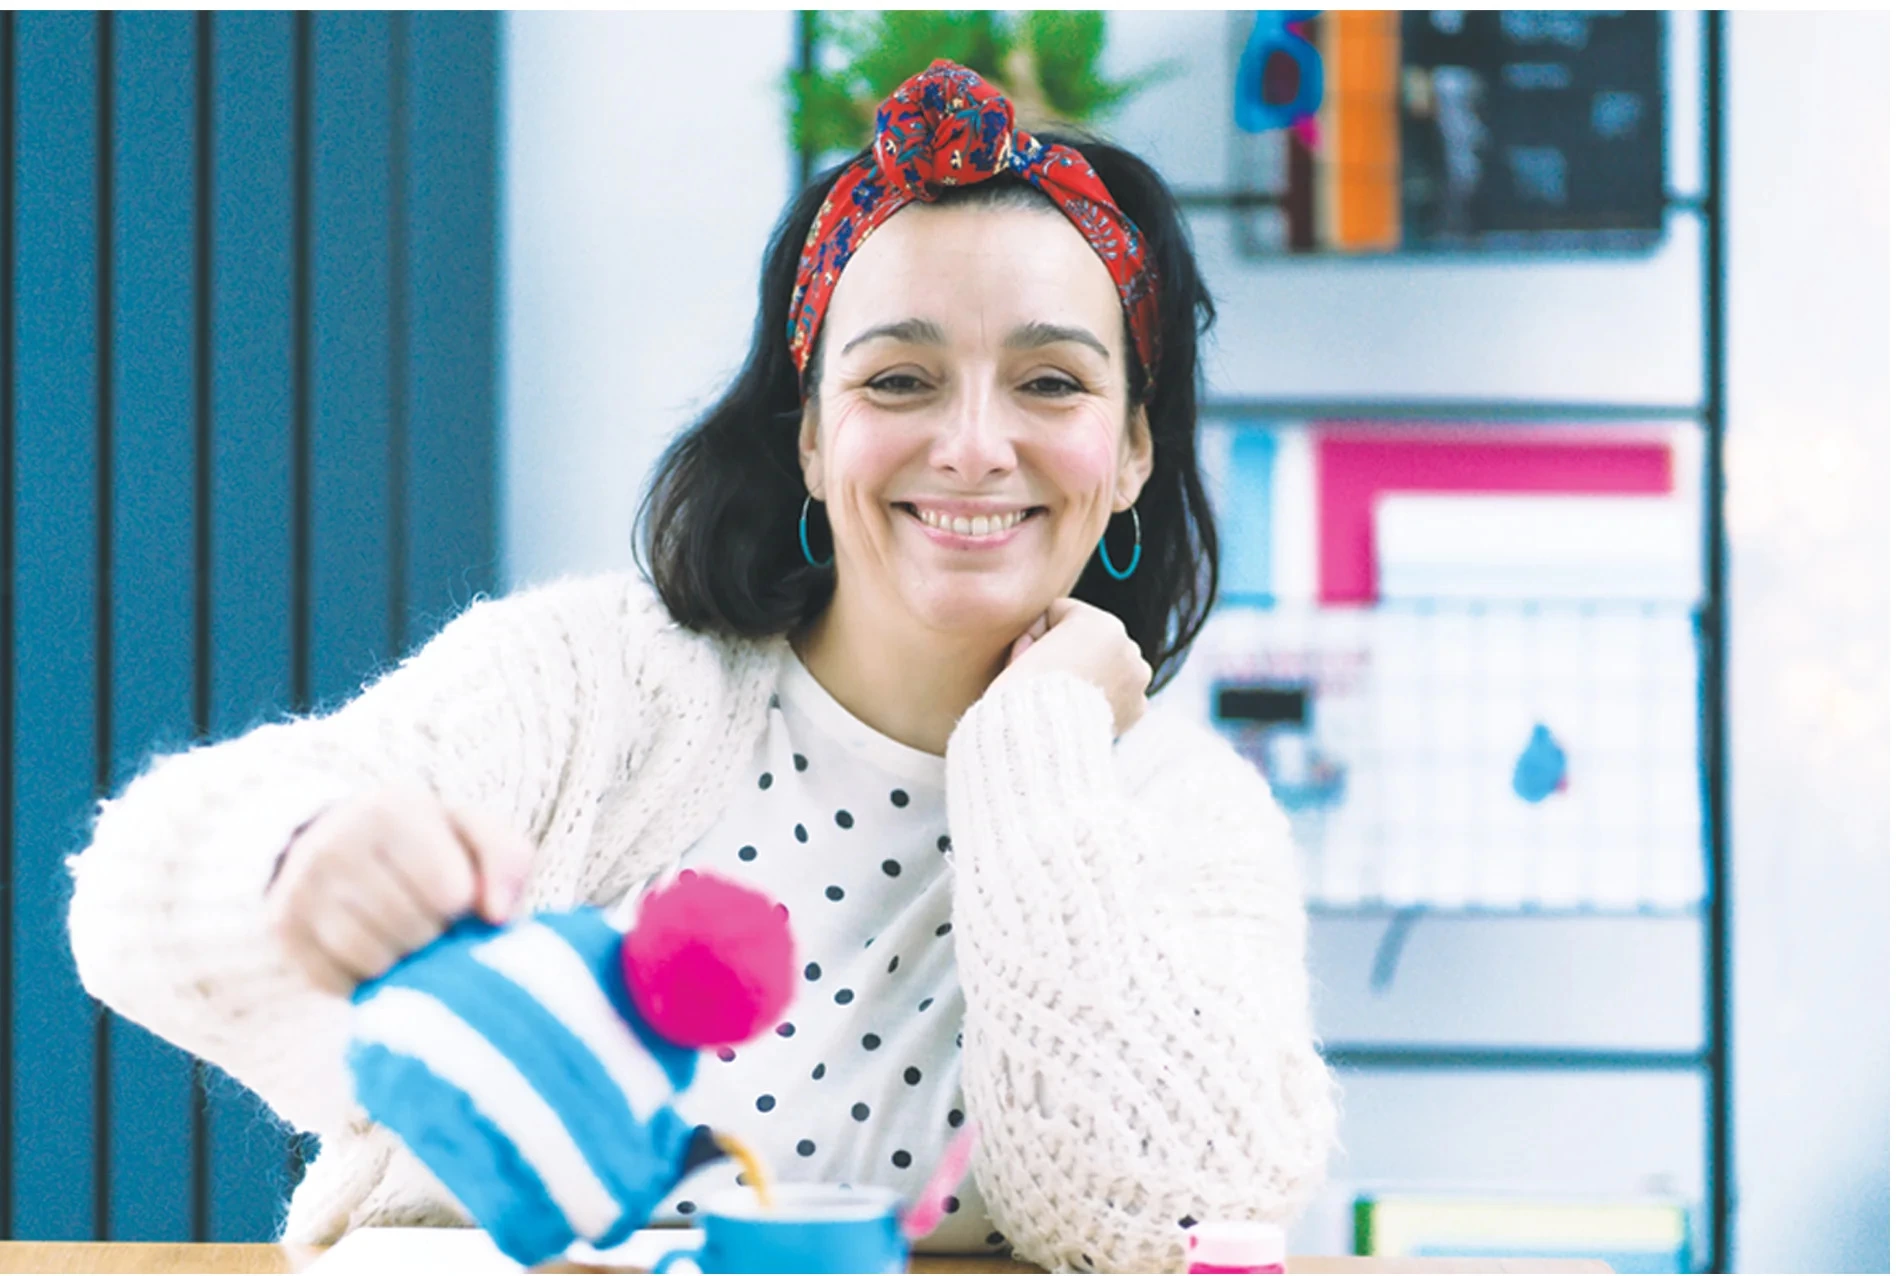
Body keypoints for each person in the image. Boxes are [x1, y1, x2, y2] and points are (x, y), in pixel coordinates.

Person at [67, 60, 1338, 1273]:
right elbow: (133, 897)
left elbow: (1171, 1215)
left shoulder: (1184, 813)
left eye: (1050, 382)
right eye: (899, 376)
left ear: (1130, 457)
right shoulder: (591, 684)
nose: (971, 444)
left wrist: (1036, 752)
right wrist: (301, 861)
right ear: (805, 437)